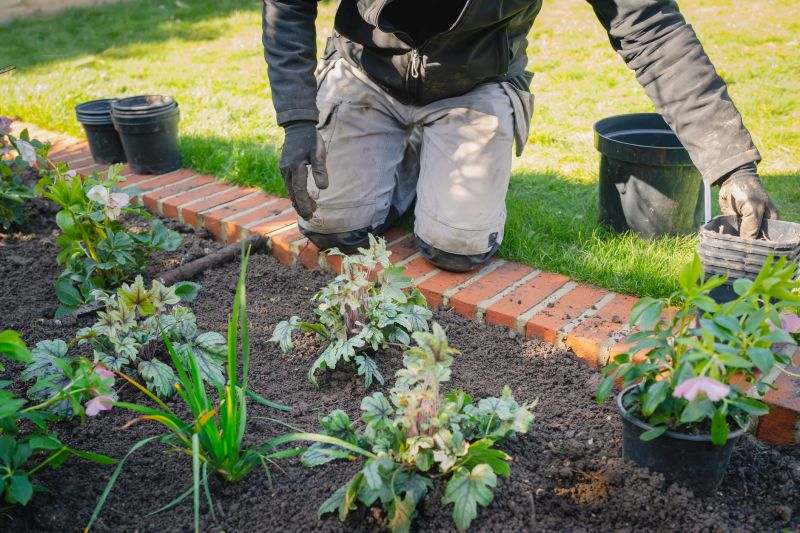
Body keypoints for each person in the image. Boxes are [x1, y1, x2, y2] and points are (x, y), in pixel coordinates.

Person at [262, 0, 778, 272]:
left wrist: (731, 165)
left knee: (456, 250)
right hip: (366, 70)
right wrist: (299, 119)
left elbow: (652, 29)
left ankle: (425, 153)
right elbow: (287, 4)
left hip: (473, 82)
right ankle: (404, 150)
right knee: (331, 231)